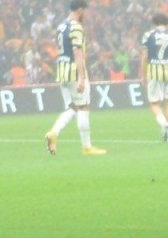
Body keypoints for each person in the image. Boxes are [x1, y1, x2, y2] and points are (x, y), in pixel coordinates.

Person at [44, 0, 106, 157]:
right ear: (80, 10)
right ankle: (87, 147)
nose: (86, 14)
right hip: (74, 72)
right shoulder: (76, 27)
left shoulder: (61, 26)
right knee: (83, 107)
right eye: (85, 11)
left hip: (62, 71)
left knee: (72, 108)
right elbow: (77, 51)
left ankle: (53, 132)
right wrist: (82, 77)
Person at [140, 12, 168, 142]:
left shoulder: (148, 35)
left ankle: (164, 124)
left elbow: (144, 56)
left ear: (154, 23)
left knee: (154, 103)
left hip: (154, 71)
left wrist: (143, 74)